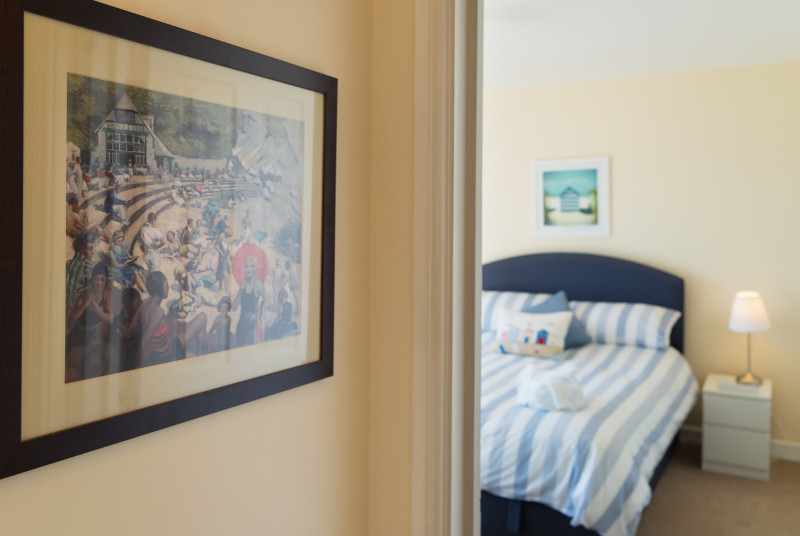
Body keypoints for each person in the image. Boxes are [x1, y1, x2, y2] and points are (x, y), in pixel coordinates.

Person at [126, 271, 207, 367]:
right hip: (169, 353)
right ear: (160, 291)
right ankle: (199, 353)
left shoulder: (144, 304)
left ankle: (197, 354)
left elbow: (130, 331)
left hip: (162, 348)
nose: (168, 289)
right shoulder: (158, 312)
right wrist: (137, 366)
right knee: (203, 317)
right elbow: (144, 342)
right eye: (166, 287)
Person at [65, 263, 113, 381]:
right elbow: (71, 319)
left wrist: (96, 307)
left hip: (95, 336)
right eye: (96, 280)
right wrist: (85, 305)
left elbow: (109, 319)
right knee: (83, 363)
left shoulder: (107, 296)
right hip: (79, 335)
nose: (99, 283)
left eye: (102, 279)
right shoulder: (84, 294)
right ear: (92, 280)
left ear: (106, 281)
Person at [232, 255, 268, 347]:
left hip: (252, 326)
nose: (249, 269)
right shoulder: (242, 285)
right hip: (241, 325)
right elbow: (234, 308)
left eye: (251, 266)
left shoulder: (258, 284)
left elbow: (268, 300)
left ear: (254, 269)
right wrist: (240, 291)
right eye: (247, 266)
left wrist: (258, 313)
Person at [65, 232, 95, 311]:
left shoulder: (67, 264)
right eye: (90, 249)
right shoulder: (89, 266)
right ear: (82, 249)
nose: (93, 253)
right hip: (77, 313)